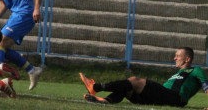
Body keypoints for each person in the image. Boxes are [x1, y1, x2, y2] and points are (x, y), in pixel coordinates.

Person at [80, 47, 208, 106]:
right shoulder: (177, 73)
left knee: (134, 80)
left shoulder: (196, 70)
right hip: (162, 97)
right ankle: (107, 101)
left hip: (175, 98)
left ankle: (96, 87)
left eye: (178, 55)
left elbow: (206, 87)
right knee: (128, 87)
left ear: (187, 59)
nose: (174, 58)